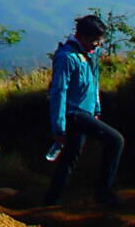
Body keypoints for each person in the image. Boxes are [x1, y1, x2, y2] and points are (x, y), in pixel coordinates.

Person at [44, 14, 123, 208]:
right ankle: (103, 193)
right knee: (116, 140)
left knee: (70, 157)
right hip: (74, 114)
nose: (98, 44)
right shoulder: (66, 57)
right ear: (83, 37)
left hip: (85, 113)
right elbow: (59, 92)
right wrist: (59, 127)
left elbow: (94, 83)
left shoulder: (89, 55)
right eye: (95, 40)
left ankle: (51, 201)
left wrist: (96, 107)